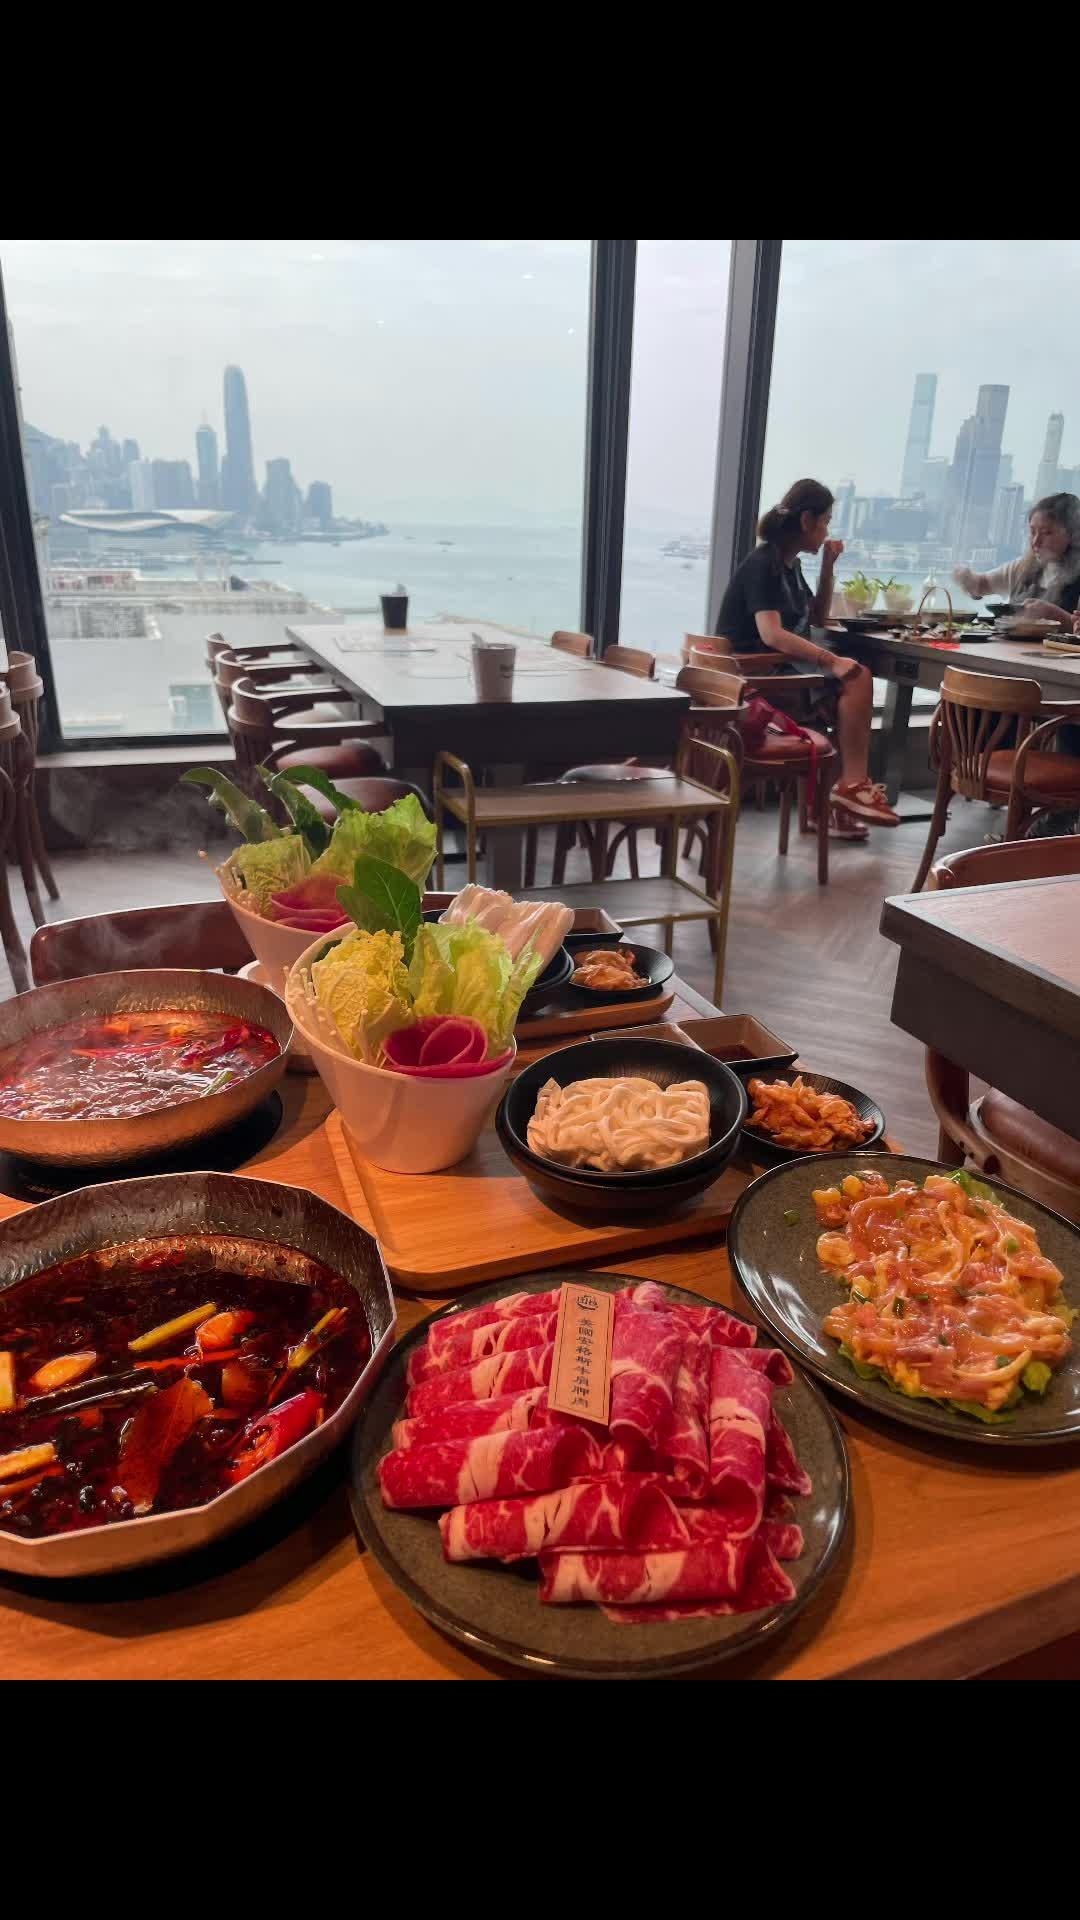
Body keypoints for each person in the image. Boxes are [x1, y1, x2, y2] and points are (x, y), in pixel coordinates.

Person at [715, 477, 898, 832]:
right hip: (754, 682)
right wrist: (831, 661)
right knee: (858, 679)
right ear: (806, 521)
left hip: (772, 673)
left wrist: (828, 568)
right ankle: (851, 787)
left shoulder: (789, 565)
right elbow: (771, 633)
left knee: (844, 704)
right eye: (825, 521)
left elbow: (815, 618)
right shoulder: (763, 564)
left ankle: (828, 808)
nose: (827, 530)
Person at [954, 492, 1080, 622]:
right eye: (1032, 532)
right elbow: (982, 585)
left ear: (1072, 534)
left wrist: (1055, 615)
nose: (1035, 542)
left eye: (1046, 533)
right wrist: (968, 579)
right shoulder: (1024, 566)